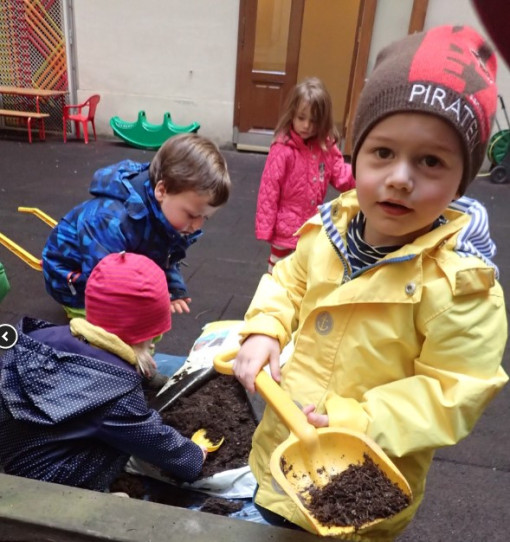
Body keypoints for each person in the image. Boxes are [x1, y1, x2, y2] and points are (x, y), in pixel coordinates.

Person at [233, 26, 508, 541]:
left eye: (430, 161)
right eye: (383, 152)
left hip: (361, 473)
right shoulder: (330, 229)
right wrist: (266, 327)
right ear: (355, 154)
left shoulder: (462, 286)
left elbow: (451, 391)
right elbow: (289, 279)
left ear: (460, 179)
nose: (401, 177)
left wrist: (353, 421)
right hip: (283, 452)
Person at [0, 252, 207, 491]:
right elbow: (151, 438)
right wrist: (193, 456)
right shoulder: (114, 392)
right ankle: (99, 494)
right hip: (49, 480)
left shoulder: (41, 337)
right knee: (119, 443)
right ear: (149, 333)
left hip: (14, 448)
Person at [42, 133, 231, 318]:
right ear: (162, 190)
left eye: (205, 218)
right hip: (71, 281)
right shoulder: (110, 219)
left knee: (148, 323)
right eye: (191, 215)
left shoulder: (167, 216)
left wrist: (172, 288)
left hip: (113, 263)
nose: (197, 225)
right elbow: (101, 279)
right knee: (122, 329)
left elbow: (164, 254)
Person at [255, 77, 355, 273]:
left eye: (314, 120)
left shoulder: (325, 147)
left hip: (311, 227)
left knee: (305, 272)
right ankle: (274, 302)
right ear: (292, 114)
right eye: (301, 118)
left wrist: (364, 176)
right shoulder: (283, 148)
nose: (307, 125)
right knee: (279, 273)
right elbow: (269, 189)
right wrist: (266, 227)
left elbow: (340, 173)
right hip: (285, 228)